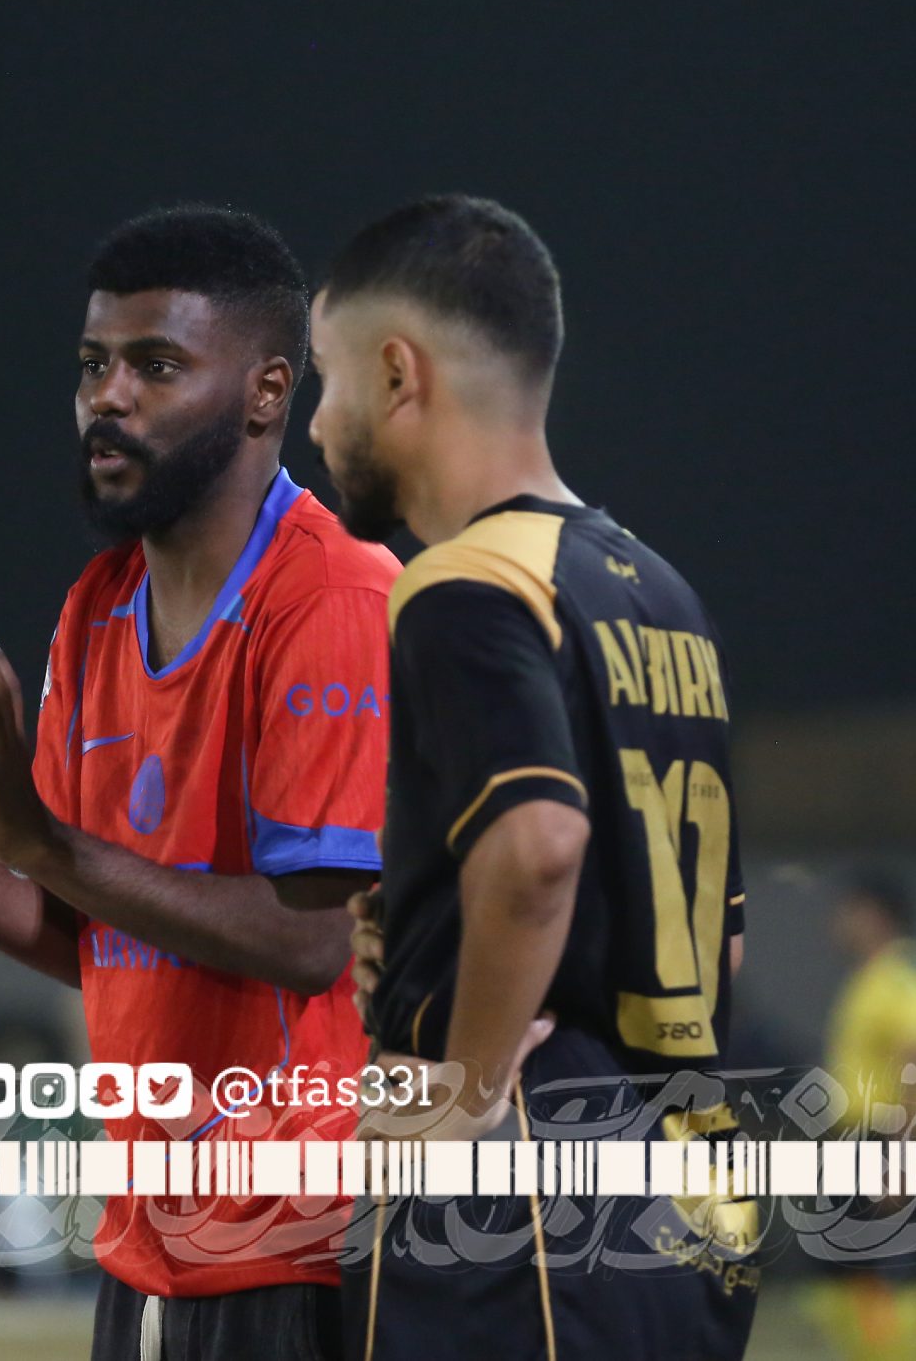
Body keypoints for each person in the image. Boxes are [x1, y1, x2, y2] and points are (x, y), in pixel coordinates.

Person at [0, 207, 396, 1361]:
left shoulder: (332, 600)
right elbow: (106, 939)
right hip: (147, 1243)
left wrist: (44, 846)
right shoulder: (95, 608)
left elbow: (311, 941)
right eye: (93, 365)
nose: (108, 398)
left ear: (266, 393)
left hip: (299, 1243)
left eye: (156, 365)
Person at [308, 195, 756, 1361]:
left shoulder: (464, 585)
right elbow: (717, 947)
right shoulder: (663, 593)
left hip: (519, 1211)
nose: (317, 422)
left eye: (327, 379)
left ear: (397, 375)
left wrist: (458, 1095)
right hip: (683, 1190)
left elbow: (538, 847)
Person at [809, 871, 916, 1361]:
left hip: (888, 1138)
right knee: (844, 1273)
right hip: (852, 1138)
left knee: (897, 1274)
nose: (838, 922)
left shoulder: (906, 972)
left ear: (876, 914)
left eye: (849, 910)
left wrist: (902, 1154)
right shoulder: (869, 974)